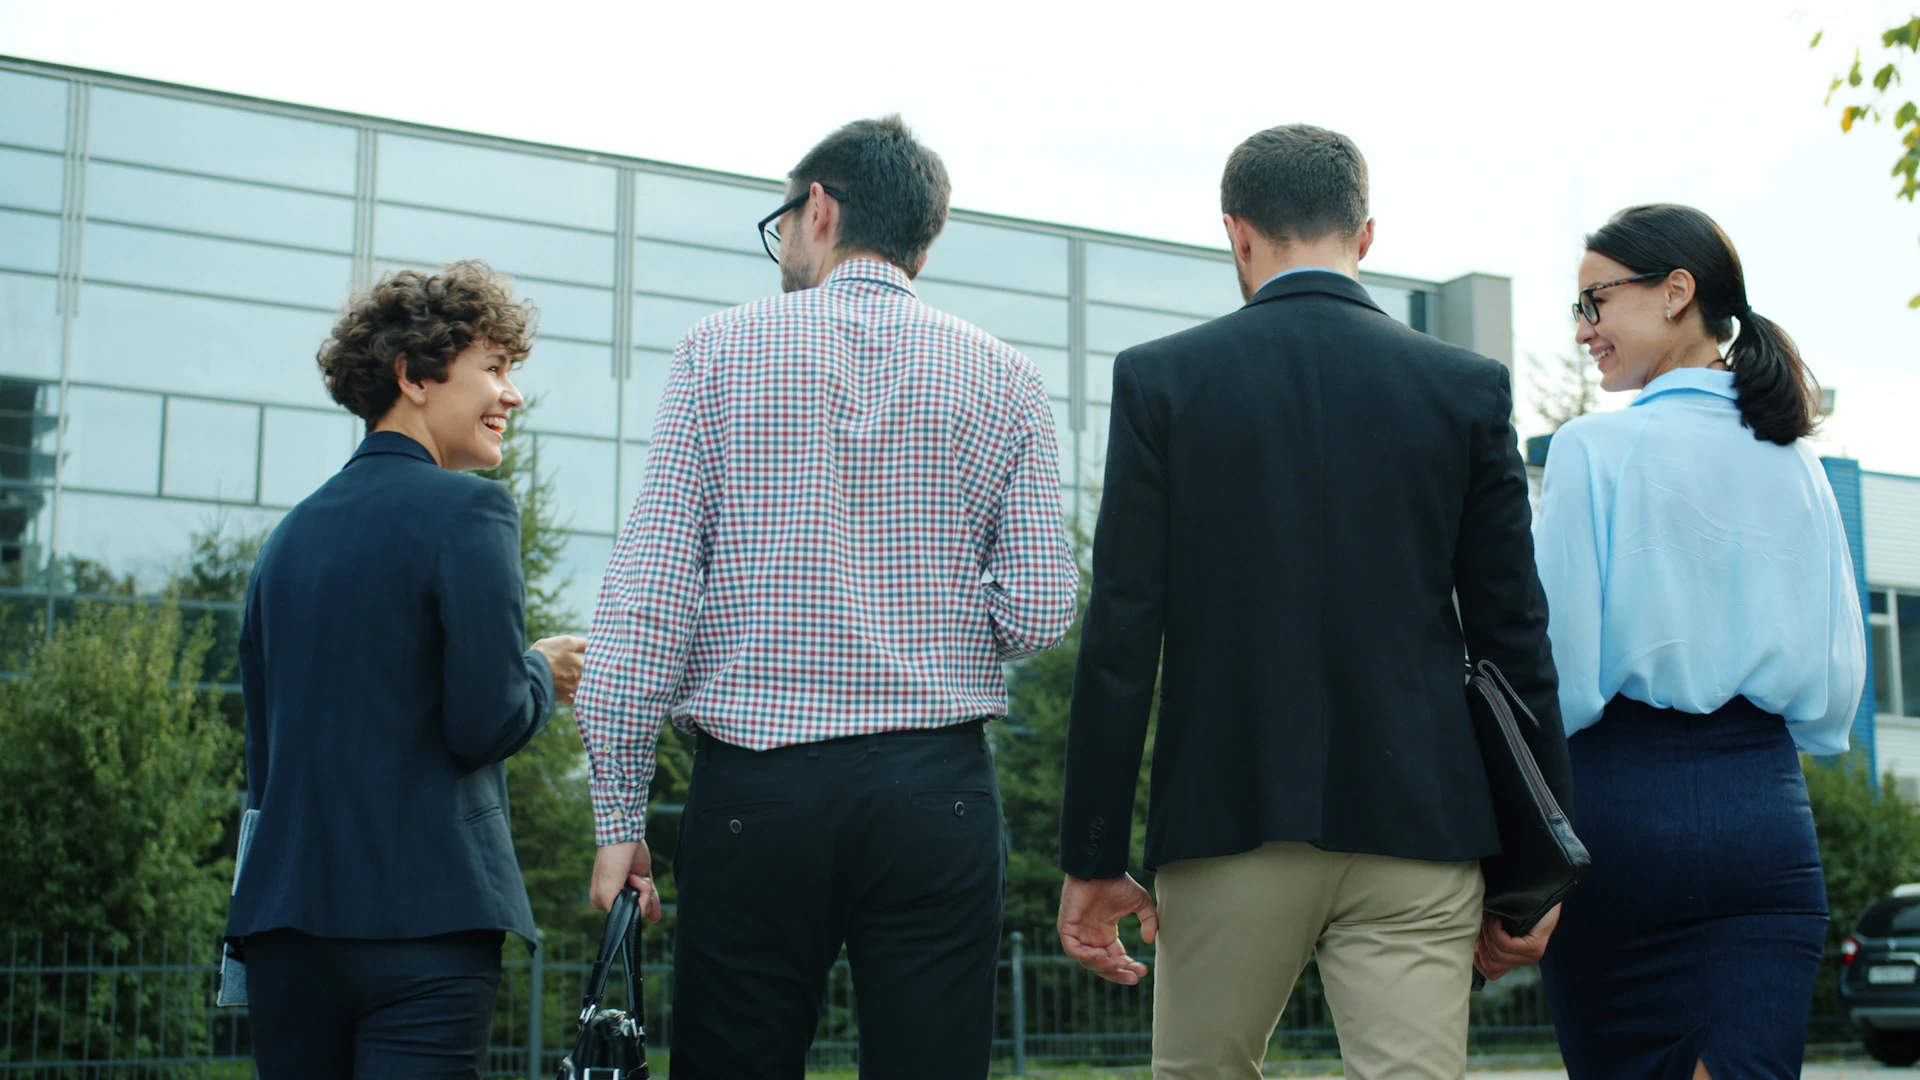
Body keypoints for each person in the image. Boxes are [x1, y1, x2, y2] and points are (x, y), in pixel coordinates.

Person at [1055, 123, 1570, 1080]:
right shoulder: (1466, 389)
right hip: (1422, 826)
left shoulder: (1162, 379)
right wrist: (1538, 867)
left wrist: (1092, 853)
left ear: (1237, 233)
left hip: (1227, 818)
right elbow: (1515, 638)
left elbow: (1122, 638)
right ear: (1365, 236)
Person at [574, 115, 1079, 1079]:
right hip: (937, 794)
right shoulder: (1007, 376)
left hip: (757, 794)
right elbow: (1040, 608)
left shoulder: (717, 351)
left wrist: (618, 818)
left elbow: (650, 599)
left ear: (818, 210)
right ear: (922, 240)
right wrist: (930, 619)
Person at [224, 261, 587, 1079]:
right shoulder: (472, 509)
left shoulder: (286, 540)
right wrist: (540, 670)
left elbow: (266, 767)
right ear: (412, 376)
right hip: (425, 926)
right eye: (494, 367)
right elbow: (486, 721)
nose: (512, 395)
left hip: (283, 931)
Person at [1531, 204, 1866, 1080]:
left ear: (1676, 291)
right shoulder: (1800, 465)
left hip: (1619, 818)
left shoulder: (1590, 450)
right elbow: (1835, 693)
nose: (1583, 330)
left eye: (1595, 302)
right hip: (1763, 812)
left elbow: (1556, 679)